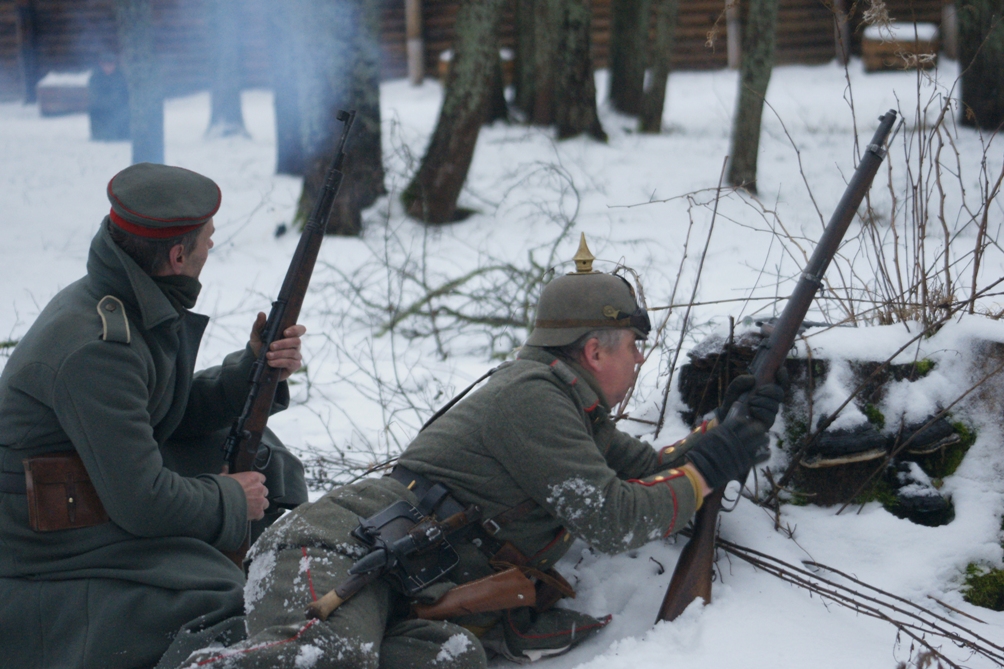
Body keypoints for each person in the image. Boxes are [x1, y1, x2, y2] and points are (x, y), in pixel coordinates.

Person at [180, 237, 784, 669]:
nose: (639, 359)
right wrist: (708, 469)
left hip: (398, 582)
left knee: (451, 656)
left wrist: (716, 437)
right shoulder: (534, 399)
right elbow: (615, 516)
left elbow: (649, 473)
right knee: (326, 659)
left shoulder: (572, 408)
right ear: (595, 352)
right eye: (633, 345)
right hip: (335, 549)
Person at [0, 163, 309, 669]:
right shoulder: (98, 347)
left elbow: (166, 411)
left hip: (96, 487)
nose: (212, 248)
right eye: (209, 241)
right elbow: (143, 502)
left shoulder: (128, 295)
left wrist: (253, 369)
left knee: (267, 460)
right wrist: (230, 497)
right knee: (214, 596)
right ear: (177, 255)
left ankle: (279, 570)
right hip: (54, 534)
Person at [88, 50, 130, 141]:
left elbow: (125, 94)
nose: (108, 67)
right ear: (101, 64)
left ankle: (122, 134)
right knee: (96, 112)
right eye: (105, 64)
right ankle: (100, 134)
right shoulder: (95, 77)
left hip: (119, 107)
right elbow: (94, 96)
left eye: (110, 64)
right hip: (100, 108)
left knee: (125, 112)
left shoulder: (121, 76)